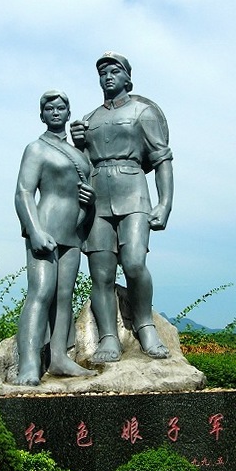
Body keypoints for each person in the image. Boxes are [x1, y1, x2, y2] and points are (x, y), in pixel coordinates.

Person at [70, 52, 173, 363]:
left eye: (114, 71)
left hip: (133, 193)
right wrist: (78, 146)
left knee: (134, 263)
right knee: (100, 274)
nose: (108, 77)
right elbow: (80, 166)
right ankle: (108, 337)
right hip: (97, 199)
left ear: (128, 78)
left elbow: (162, 158)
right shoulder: (89, 119)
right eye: (103, 73)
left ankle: (145, 326)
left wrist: (165, 203)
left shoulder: (143, 112)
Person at [14, 90, 97, 385]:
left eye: (61, 107)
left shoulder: (78, 154)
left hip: (72, 232)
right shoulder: (36, 149)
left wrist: (90, 199)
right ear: (42, 115)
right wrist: (34, 230)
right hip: (46, 226)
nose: (55, 112)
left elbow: (88, 190)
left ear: (68, 112)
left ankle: (59, 356)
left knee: (64, 296)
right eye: (49, 108)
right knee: (41, 292)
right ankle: (28, 363)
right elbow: (23, 192)